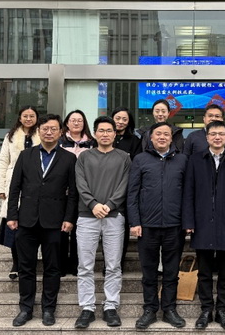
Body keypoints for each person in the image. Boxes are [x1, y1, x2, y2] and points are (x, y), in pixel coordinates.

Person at [7, 114, 78, 327]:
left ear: (60, 132)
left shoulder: (69, 158)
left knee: (53, 268)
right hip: (26, 220)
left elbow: (73, 193)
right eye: (45, 129)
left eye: (53, 129)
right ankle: (25, 309)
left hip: (55, 222)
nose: (49, 132)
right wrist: (12, 215)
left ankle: (49, 309)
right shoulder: (26, 155)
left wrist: (69, 218)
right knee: (26, 267)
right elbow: (15, 187)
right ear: (39, 131)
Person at [183, 120, 225, 331]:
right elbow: (188, 192)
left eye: (221, 134)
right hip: (202, 222)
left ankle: (222, 310)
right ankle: (205, 310)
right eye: (213, 134)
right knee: (204, 272)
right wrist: (189, 221)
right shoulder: (195, 160)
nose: (217, 137)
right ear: (207, 137)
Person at [127, 122, 188, 330]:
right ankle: (150, 309)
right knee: (149, 271)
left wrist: (187, 222)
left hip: (175, 225)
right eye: (158, 134)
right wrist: (135, 221)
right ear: (151, 138)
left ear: (172, 138)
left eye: (166, 134)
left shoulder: (182, 160)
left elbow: (188, 193)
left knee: (171, 271)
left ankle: (170, 309)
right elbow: (132, 193)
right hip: (147, 226)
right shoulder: (140, 159)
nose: (162, 137)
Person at [73, 116, 131, 329]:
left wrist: (110, 205)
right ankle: (87, 308)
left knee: (113, 265)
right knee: (85, 265)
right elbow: (80, 184)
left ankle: (110, 306)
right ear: (95, 134)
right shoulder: (84, 157)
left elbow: (125, 184)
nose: (105, 134)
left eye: (109, 131)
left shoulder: (124, 158)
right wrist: (93, 204)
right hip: (87, 216)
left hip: (114, 217)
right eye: (101, 130)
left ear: (115, 134)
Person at [0, 106, 40, 280]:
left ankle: (30, 261)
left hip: (35, 183)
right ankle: (16, 263)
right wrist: (0, 187)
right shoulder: (11, 136)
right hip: (13, 182)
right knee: (14, 223)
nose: (28, 119)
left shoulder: (42, 134)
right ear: (20, 118)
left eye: (32, 116)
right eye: (25, 116)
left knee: (32, 225)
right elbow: (3, 161)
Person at [58, 110, 93, 277]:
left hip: (84, 192)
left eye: (80, 120)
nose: (76, 123)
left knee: (80, 230)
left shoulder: (92, 143)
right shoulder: (59, 141)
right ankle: (61, 265)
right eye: (73, 120)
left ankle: (76, 264)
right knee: (62, 229)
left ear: (84, 123)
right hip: (63, 191)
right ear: (67, 123)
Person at [111, 106, 142, 273]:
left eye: (124, 119)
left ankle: (118, 265)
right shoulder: (105, 137)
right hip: (105, 189)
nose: (120, 122)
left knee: (121, 230)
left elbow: (135, 166)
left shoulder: (135, 141)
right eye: (118, 118)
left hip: (125, 189)